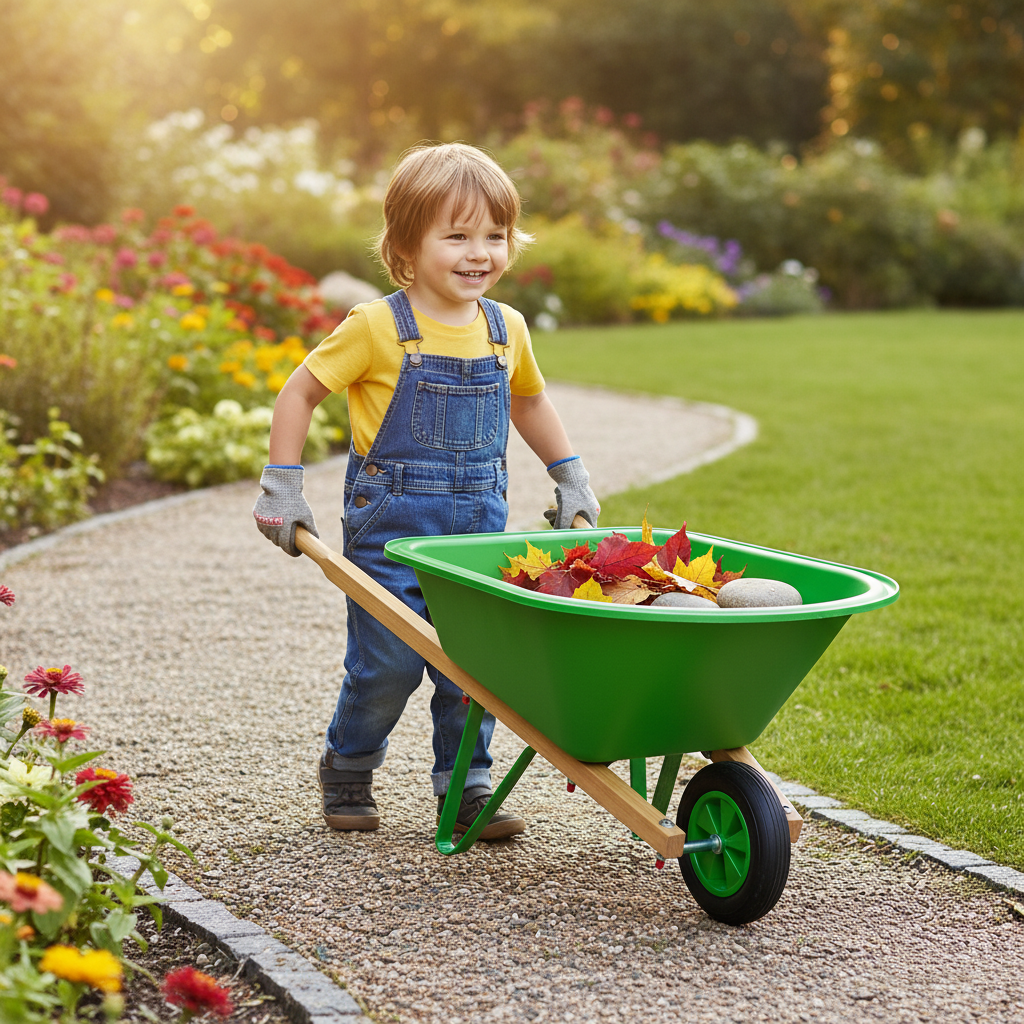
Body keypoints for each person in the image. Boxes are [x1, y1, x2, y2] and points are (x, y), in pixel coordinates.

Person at [253, 143, 600, 840]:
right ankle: (349, 763)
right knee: (388, 664)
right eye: (458, 236)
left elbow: (529, 402)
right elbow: (300, 392)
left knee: (476, 666)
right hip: (391, 532)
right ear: (406, 244)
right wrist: (281, 486)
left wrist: (570, 476)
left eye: (495, 235)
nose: (480, 253)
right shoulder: (376, 326)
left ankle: (466, 785)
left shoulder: (506, 328)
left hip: (476, 533)